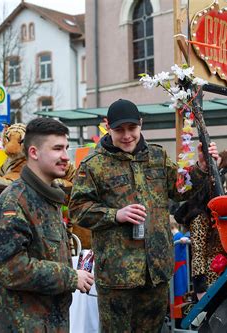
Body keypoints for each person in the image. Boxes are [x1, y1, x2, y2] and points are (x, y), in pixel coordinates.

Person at [69, 99, 218, 332]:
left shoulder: (157, 156)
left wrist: (201, 167)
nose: (127, 135)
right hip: (117, 276)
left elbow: (179, 190)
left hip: (155, 271)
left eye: (132, 128)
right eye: (119, 130)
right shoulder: (93, 165)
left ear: (141, 124)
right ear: (108, 127)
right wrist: (115, 215)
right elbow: (77, 209)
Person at [0, 118, 94, 332]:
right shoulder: (15, 200)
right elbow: (9, 266)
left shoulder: (48, 198)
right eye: (57, 149)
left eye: (66, 148)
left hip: (50, 322)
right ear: (33, 152)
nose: (65, 157)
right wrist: (71, 277)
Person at [170, 221, 189, 306]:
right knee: (175, 289)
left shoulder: (179, 236)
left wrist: (186, 237)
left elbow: (188, 237)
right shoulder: (175, 236)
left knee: (180, 289)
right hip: (175, 266)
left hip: (180, 267)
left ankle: (180, 311)